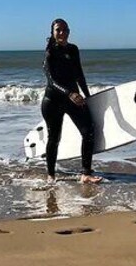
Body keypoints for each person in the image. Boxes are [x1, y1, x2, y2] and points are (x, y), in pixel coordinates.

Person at [41, 18, 102, 184]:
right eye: (58, 30)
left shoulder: (73, 49)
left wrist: (88, 96)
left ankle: (86, 173)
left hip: (73, 99)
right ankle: (51, 175)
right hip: (53, 101)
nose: (62, 33)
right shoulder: (50, 52)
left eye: (64, 29)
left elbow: (79, 75)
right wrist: (70, 93)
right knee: (54, 138)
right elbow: (51, 81)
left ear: (69, 31)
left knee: (88, 130)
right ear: (52, 33)